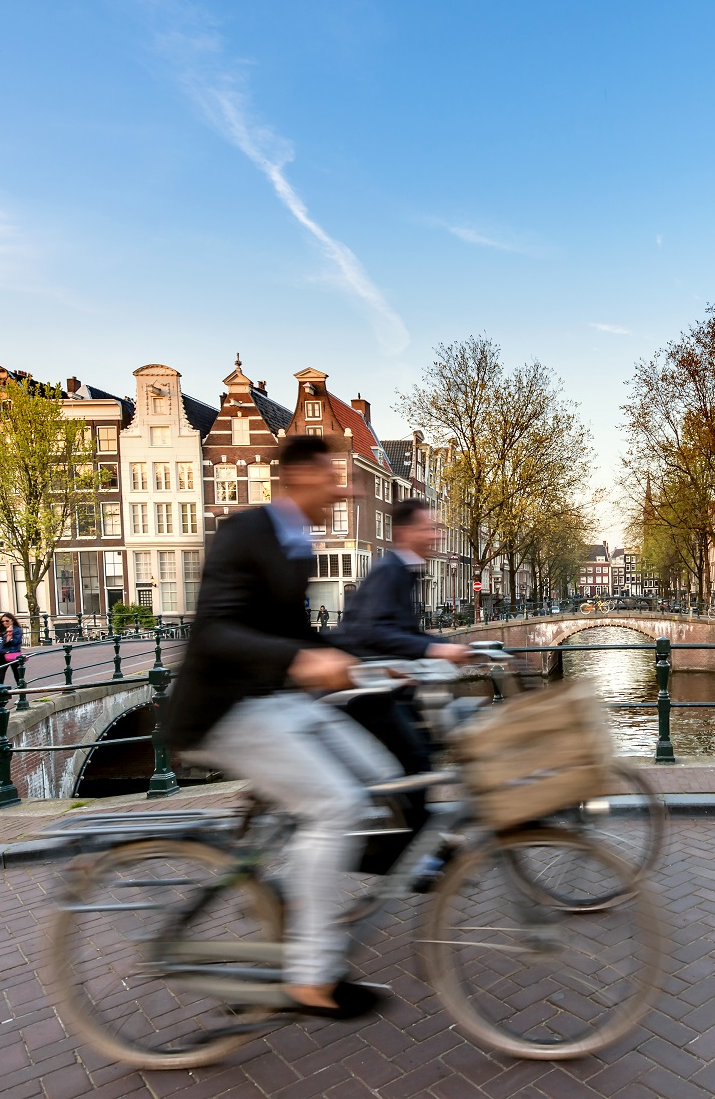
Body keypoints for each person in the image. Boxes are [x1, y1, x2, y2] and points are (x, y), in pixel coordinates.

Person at [168, 436, 394, 1021]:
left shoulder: (298, 545)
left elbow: (293, 629)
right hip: (225, 708)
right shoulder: (243, 532)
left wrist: (362, 666)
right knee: (337, 805)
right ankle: (312, 977)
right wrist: (301, 663)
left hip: (273, 698)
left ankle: (294, 892)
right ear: (295, 480)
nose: (341, 491)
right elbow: (215, 631)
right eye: (330, 479)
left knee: (379, 775)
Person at [332, 498, 472, 871]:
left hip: (385, 687)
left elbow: (399, 629)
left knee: (421, 754)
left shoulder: (402, 570)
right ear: (405, 532)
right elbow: (370, 630)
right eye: (428, 528)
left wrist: (446, 646)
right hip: (365, 691)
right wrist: (433, 649)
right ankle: (405, 855)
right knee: (415, 760)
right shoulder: (390, 570)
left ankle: (423, 843)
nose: (435, 535)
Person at [0, 613, 25, 690]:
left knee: (17, 675)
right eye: (2, 621)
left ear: (12, 620)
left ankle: (22, 695)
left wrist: (9, 634)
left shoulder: (17, 630)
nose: (4, 623)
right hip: (1, 655)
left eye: (7, 621)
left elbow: (13, 642)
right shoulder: (2, 630)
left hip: (12, 654)